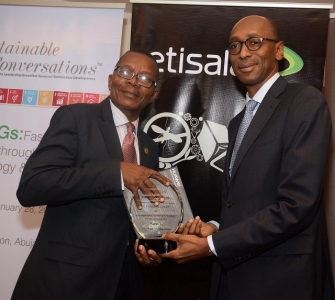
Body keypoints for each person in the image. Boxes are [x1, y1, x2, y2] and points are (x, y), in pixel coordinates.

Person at [159, 15, 333, 299]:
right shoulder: (239, 121)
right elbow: (241, 201)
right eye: (235, 46)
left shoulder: (304, 102)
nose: (243, 53)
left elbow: (296, 205)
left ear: (278, 50)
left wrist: (213, 245)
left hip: (280, 279)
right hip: (232, 275)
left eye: (254, 42)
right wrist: (214, 227)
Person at [11, 49, 170, 300]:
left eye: (144, 79)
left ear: (153, 93)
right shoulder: (75, 118)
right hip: (65, 282)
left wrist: (146, 248)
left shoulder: (150, 147)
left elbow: (135, 215)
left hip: (122, 284)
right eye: (125, 72)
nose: (132, 81)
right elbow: (32, 186)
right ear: (110, 79)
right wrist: (115, 172)